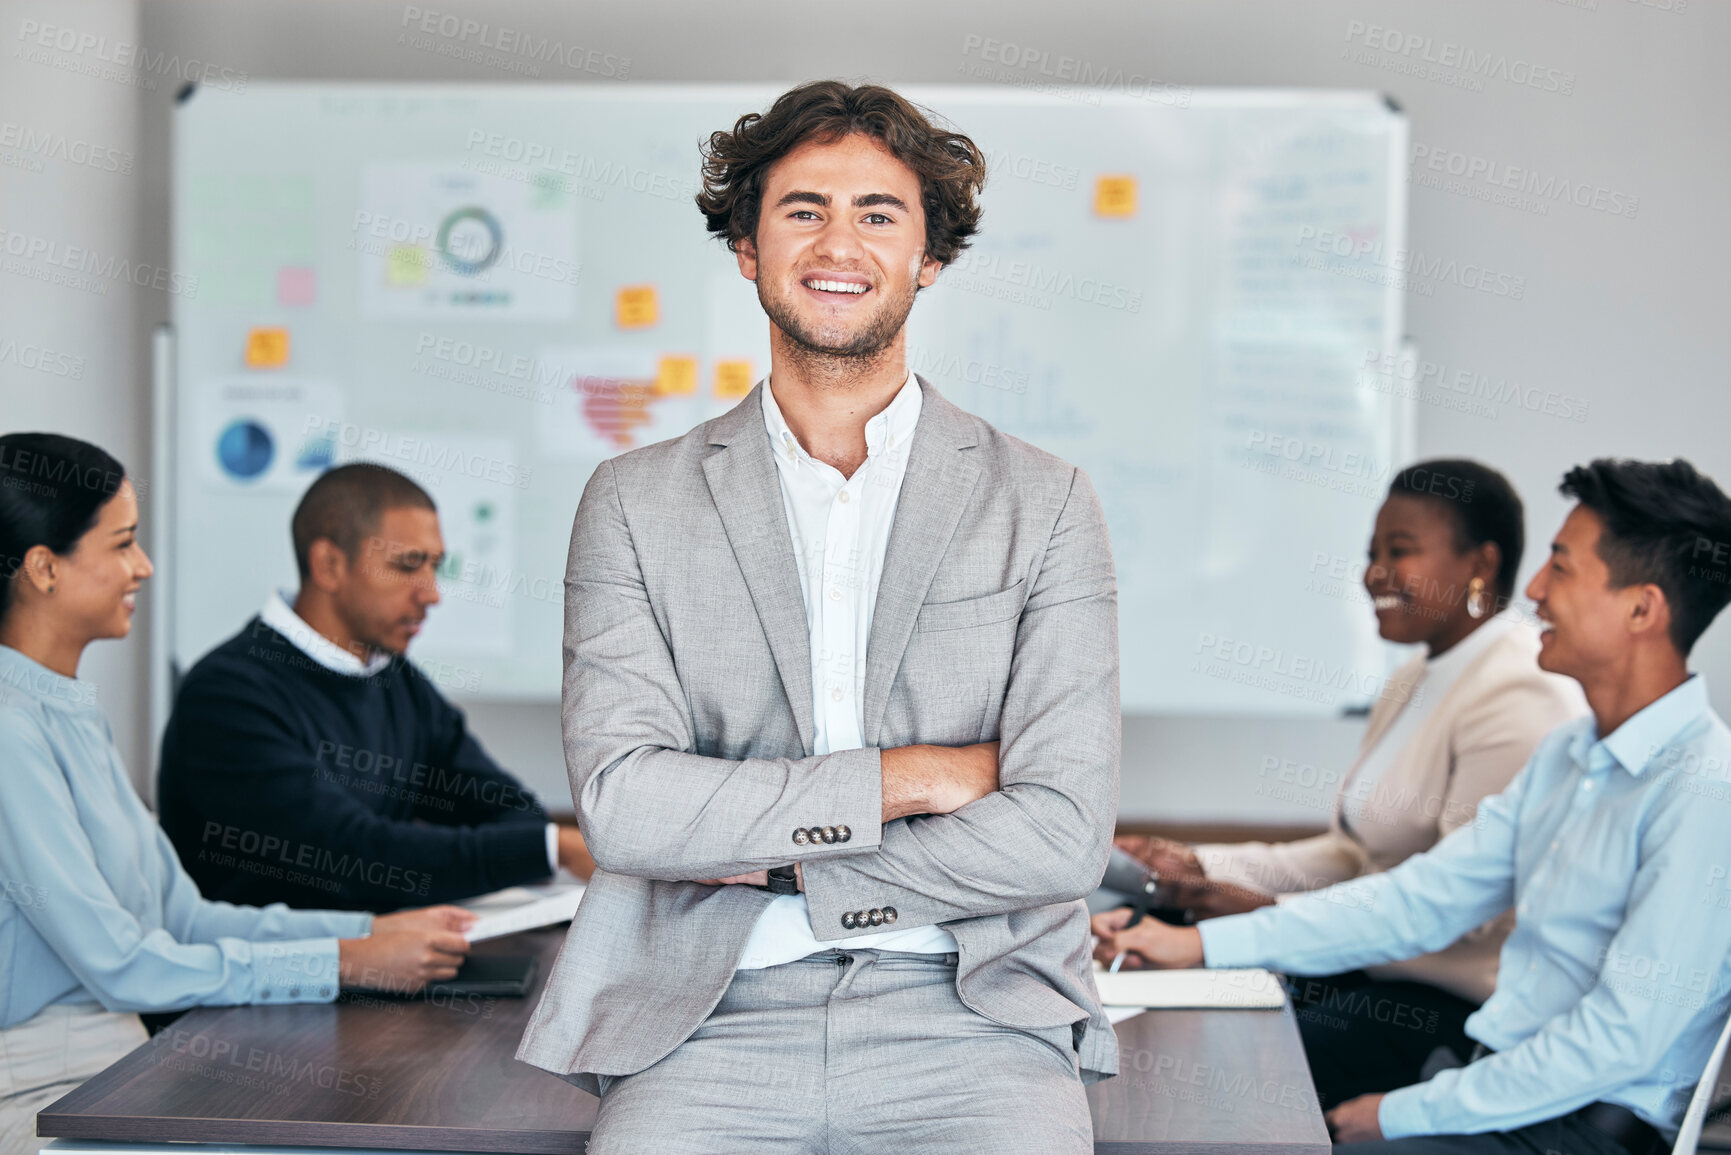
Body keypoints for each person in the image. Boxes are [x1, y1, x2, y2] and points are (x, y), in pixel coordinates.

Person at [516, 81, 1120, 1153]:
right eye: (803, 209)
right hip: (706, 1021)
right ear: (746, 247)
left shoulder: (1047, 501)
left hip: (975, 1016)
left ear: (930, 257)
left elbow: (1062, 834)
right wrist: (913, 779)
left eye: (878, 214)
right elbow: (627, 810)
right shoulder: (632, 502)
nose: (838, 241)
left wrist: (789, 864)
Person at [1094, 457, 1731, 1154]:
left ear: (1641, 608)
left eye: (1562, 567)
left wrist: (1406, 1111)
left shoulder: (1704, 788)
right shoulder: (1568, 755)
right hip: (1505, 1095)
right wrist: (1199, 942)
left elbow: (1618, 1040)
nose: (1536, 590)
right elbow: (1420, 899)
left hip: (1582, 1128)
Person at [0, 433, 473, 1154]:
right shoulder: (9, 730)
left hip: (114, 1069)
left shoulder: (66, 710)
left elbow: (183, 917)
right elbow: (123, 963)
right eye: (123, 543)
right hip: (43, 1095)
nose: (143, 566)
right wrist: (344, 960)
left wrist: (363, 934)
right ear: (43, 568)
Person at [1115, 459, 1585, 1108]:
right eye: (1371, 553)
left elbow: (1467, 910)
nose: (1373, 573)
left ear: (1479, 563)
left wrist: (1266, 914)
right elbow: (1350, 852)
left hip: (1446, 1006)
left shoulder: (1519, 687)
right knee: (1162, 927)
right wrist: (1198, 865)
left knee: (1224, 1059)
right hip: (1367, 967)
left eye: (1400, 551)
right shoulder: (1412, 678)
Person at [157, 463, 593, 912]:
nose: (431, 594)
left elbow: (505, 809)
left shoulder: (393, 679)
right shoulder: (228, 696)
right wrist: (549, 849)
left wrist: (540, 844)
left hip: (383, 964)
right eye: (407, 566)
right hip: (278, 978)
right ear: (329, 565)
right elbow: (350, 860)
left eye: (434, 567)